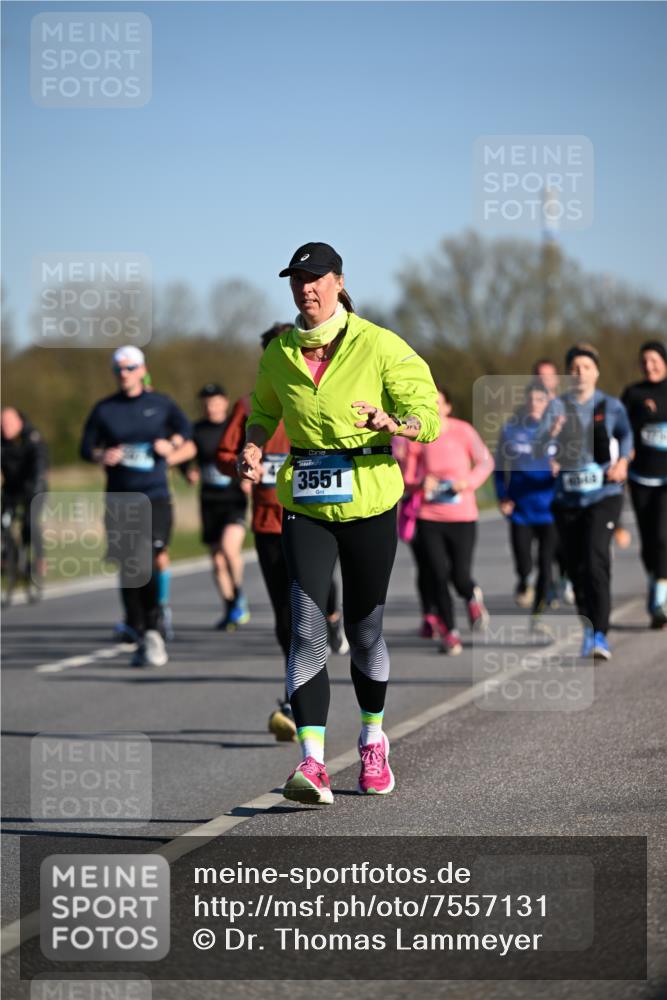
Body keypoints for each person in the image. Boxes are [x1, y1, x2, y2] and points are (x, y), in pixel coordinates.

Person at [238, 242, 439, 803]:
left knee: (365, 630)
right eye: (297, 280)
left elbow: (429, 417)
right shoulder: (279, 352)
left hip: (371, 500)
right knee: (308, 631)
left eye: (316, 278)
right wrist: (253, 448)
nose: (307, 288)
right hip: (304, 505)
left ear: (339, 281)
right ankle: (313, 764)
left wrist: (391, 419)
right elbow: (262, 412)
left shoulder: (379, 344)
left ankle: (374, 742)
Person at [218, 324, 350, 743]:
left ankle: (331, 622)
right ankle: (296, 697)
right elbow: (225, 452)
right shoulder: (247, 405)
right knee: (284, 618)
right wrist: (242, 464)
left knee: (313, 603)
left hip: (315, 517)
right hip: (269, 522)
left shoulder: (315, 394)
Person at [80, 346, 194, 666]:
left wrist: (170, 444)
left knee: (150, 554)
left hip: (155, 495)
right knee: (130, 565)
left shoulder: (161, 404)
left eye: (129, 368)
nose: (124, 374)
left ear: (142, 370)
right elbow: (85, 446)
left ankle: (155, 625)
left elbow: (185, 431)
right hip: (119, 498)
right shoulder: (104, 409)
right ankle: (139, 625)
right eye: (118, 370)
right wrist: (102, 456)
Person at [537, 343, 633, 660]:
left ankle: (601, 633)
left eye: (586, 367)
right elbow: (539, 446)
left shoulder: (611, 405)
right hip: (567, 498)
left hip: (604, 495)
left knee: (595, 560)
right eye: (574, 368)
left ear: (596, 371)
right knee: (576, 568)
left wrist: (622, 464)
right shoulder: (557, 407)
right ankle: (588, 629)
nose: (580, 373)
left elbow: (627, 439)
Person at [403, 387, 493, 655]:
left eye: (438, 402)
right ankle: (450, 633)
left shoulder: (463, 430)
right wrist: (420, 482)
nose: (433, 406)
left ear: (448, 407)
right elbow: (406, 480)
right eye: (428, 403)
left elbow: (486, 462)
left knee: (460, 575)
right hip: (429, 516)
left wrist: (468, 483)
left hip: (462, 516)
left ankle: (471, 595)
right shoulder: (416, 436)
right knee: (437, 575)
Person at [184, 383, 251, 630]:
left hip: (233, 499)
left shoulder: (236, 427)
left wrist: (249, 479)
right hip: (209, 501)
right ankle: (230, 605)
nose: (210, 405)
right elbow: (185, 455)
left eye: (214, 400)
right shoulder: (197, 429)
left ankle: (239, 594)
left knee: (228, 549)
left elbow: (254, 451)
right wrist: (186, 471)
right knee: (217, 560)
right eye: (206, 401)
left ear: (225, 401)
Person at [494, 382, 558, 629]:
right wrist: (502, 497)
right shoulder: (511, 430)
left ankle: (538, 614)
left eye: (540, 400)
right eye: (531, 399)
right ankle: (523, 580)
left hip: (551, 511)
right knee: (523, 563)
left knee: (545, 563)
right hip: (520, 510)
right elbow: (499, 467)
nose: (534, 404)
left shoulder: (558, 432)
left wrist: (560, 469)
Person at [621, 340, 667, 629]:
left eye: (655, 360)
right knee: (649, 540)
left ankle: (660, 600)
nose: (649, 366)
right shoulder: (633, 393)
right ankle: (654, 581)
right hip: (640, 477)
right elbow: (620, 428)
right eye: (644, 361)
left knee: (663, 536)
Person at [1, 407, 49, 597]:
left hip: (34, 487)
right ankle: (8, 556)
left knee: (30, 523)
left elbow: (40, 462)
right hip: (11, 489)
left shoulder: (32, 438)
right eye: (2, 424)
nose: (6, 428)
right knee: (3, 522)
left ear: (20, 423)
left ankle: (38, 560)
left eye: (9, 423)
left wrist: (36, 485)